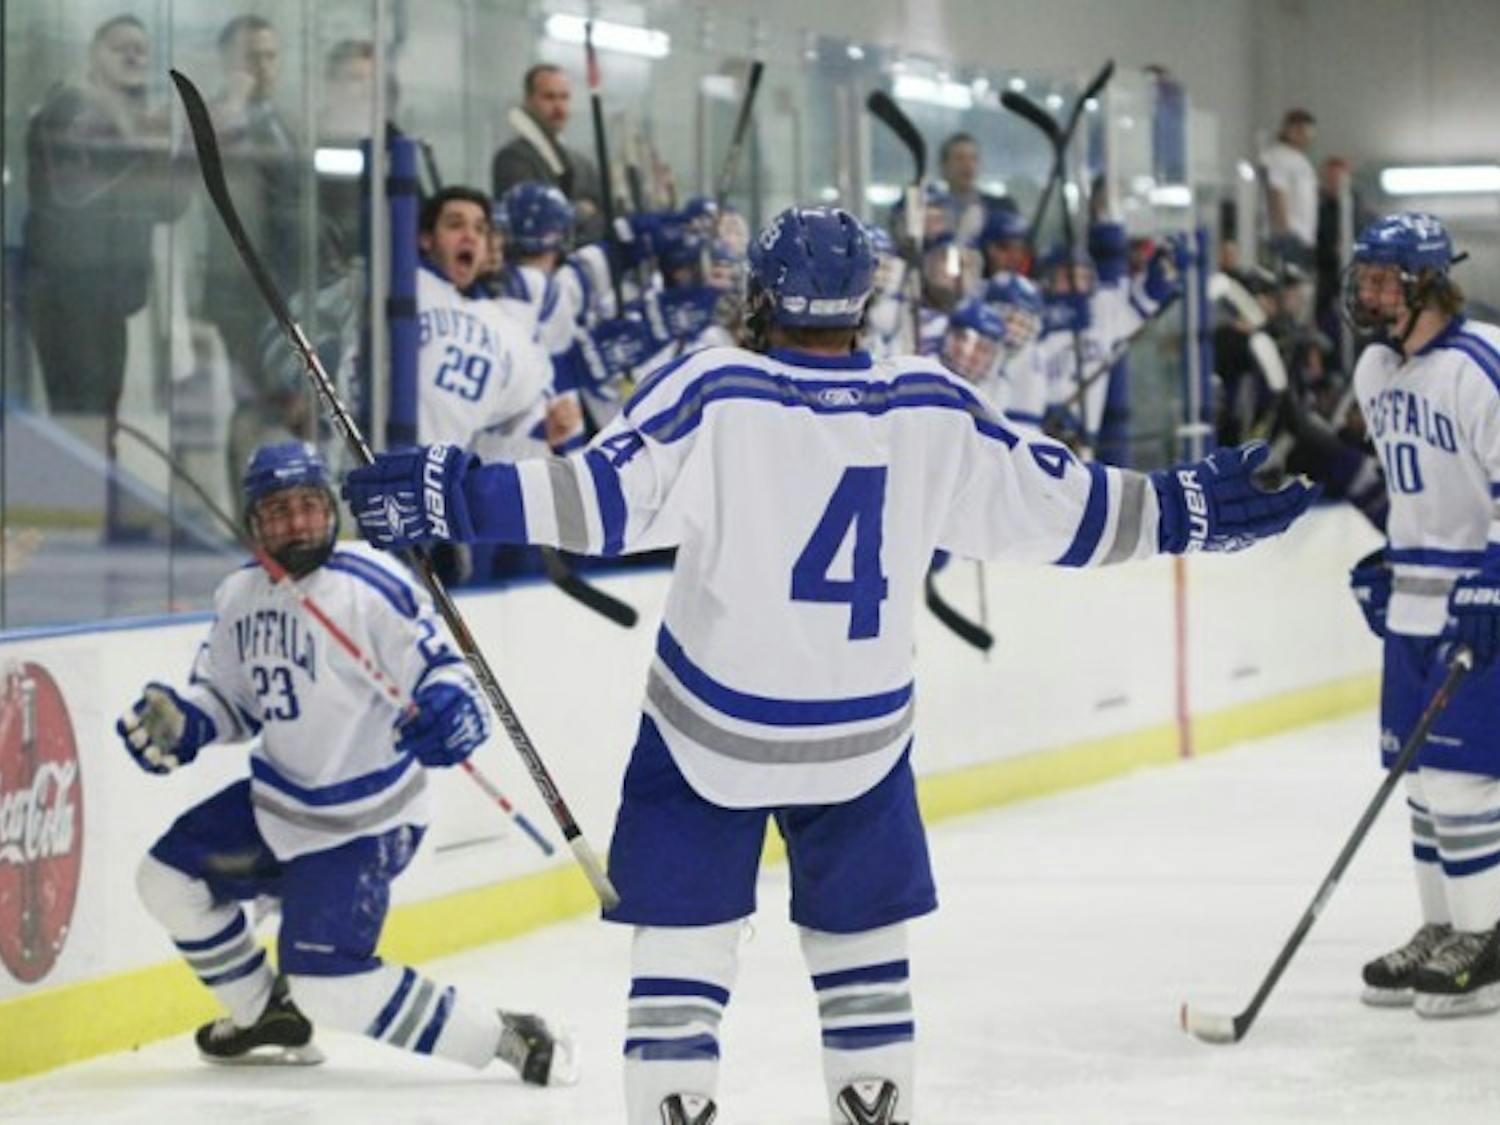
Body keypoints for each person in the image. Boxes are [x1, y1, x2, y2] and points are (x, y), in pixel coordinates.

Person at [340, 205, 1318, 1124]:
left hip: (707, 734)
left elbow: (597, 500)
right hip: (861, 736)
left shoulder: (715, 388)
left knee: (684, 956)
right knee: (863, 958)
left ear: (761, 297)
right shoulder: (932, 399)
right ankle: (871, 1101)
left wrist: (452, 492)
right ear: (860, 301)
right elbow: (1058, 510)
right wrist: (1179, 510)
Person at [117, 441, 573, 1080]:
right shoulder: (238, 595)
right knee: (164, 880)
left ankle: (504, 1035)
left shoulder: (373, 582)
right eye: (278, 511)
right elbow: (231, 702)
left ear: (332, 508)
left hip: (364, 824)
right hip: (276, 806)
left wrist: (450, 711)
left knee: (326, 984)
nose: (297, 522)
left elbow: (446, 671)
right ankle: (263, 1014)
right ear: (254, 523)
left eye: (309, 505)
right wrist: (184, 721)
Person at [1342, 212, 1500, 1018]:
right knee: (1418, 779)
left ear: (1426, 285)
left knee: (1462, 778)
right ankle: (1443, 927)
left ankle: (1487, 941)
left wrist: (1496, 575)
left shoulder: (1482, 364)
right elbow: (1410, 487)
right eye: (1363, 278)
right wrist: (1389, 560)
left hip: (1480, 603)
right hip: (1415, 605)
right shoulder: (1377, 370)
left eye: (1382, 280)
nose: (1366, 294)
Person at [206, 15, 303, 507]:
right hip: (240, 290)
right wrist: (236, 100)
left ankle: (283, 505)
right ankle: (248, 506)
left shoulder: (278, 119)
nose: (263, 67)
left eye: (270, 56)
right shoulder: (221, 116)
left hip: (285, 287)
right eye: (251, 58)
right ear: (227, 64)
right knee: (257, 401)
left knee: (287, 402)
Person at [491, 64, 604, 243]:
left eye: (564, 97)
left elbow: (604, 215)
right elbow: (533, 220)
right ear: (528, 100)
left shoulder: (582, 164)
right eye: (549, 97)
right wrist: (580, 212)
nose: (559, 107)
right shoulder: (512, 159)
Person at [1260, 108, 1318, 267]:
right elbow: (1277, 192)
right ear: (1290, 130)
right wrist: (1284, 234)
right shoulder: (1278, 156)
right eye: (1303, 131)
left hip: (1302, 238)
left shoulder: (1300, 160)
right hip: (1288, 237)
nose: (1308, 137)